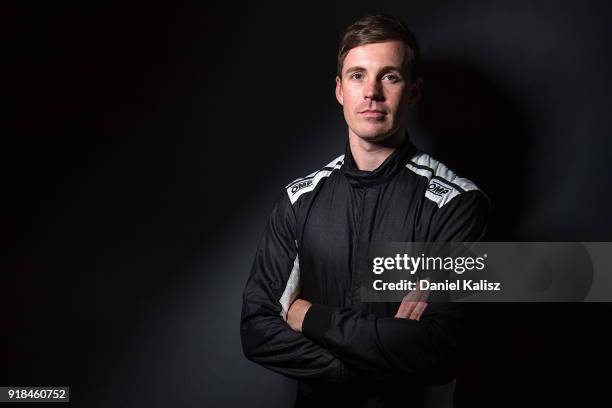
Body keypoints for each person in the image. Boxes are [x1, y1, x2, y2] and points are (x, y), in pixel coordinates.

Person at [240, 14, 489, 408]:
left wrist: (311, 318)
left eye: (389, 76)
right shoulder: (298, 200)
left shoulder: (457, 204)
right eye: (357, 76)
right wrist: (371, 364)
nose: (371, 92)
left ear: (414, 91)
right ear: (339, 90)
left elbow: (441, 350)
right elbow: (257, 330)